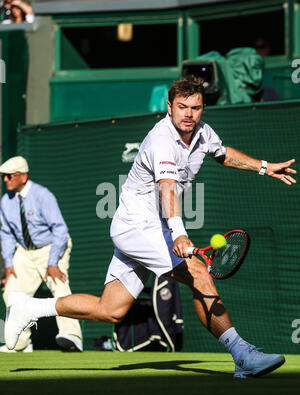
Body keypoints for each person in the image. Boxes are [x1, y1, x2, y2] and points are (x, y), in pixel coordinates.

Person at [4, 77, 297, 377]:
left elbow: (222, 153)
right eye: (182, 107)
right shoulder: (161, 139)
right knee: (198, 272)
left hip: (148, 227)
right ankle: (242, 355)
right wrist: (179, 233)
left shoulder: (202, 133)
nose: (189, 114)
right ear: (169, 108)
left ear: (203, 108)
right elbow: (167, 188)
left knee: (111, 309)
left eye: (195, 108)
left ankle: (30, 308)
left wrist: (264, 166)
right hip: (136, 226)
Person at [0, 156, 83, 352]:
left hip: (52, 246)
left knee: (59, 285)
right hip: (25, 251)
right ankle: (20, 344)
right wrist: (9, 263)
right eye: (3, 176)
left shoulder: (42, 195)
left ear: (22, 177)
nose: (5, 180)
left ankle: (72, 336)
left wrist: (53, 262)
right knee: (11, 293)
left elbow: (60, 230)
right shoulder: (6, 201)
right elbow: (6, 234)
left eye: (9, 176)